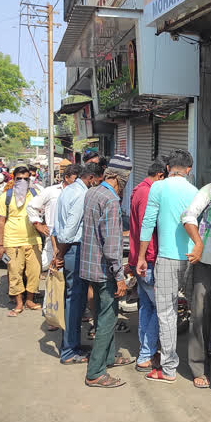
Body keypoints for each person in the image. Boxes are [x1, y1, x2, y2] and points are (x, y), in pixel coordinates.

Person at [137, 149, 199, 384]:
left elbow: (148, 224)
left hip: (166, 258)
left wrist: (142, 257)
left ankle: (169, 367)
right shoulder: (195, 191)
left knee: (166, 313)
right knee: (195, 310)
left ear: (167, 169)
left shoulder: (158, 188)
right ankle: (199, 363)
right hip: (192, 257)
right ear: (189, 170)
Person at [81, 154, 135, 388]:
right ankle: (96, 372)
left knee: (104, 314)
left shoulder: (92, 192)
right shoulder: (112, 201)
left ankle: (110, 357)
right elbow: (112, 246)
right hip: (104, 270)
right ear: (120, 178)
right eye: (126, 178)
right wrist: (119, 276)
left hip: (90, 266)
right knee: (106, 318)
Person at [181, 154, 211, 389]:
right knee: (201, 314)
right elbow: (189, 216)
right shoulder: (209, 190)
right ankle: (199, 367)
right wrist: (198, 243)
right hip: (206, 261)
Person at [52, 163, 103, 365]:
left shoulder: (68, 190)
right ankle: (69, 350)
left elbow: (59, 226)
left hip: (69, 248)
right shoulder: (82, 194)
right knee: (74, 302)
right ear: (91, 177)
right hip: (74, 248)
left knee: (75, 300)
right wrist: (61, 253)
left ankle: (72, 344)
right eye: (96, 181)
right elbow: (69, 230)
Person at [128, 159, 167, 372]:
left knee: (146, 307)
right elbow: (147, 228)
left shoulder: (139, 190)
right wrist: (147, 257)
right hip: (147, 261)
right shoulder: (147, 193)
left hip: (141, 259)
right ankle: (146, 355)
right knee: (158, 309)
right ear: (160, 176)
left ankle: (146, 351)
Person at [0, 166, 42, 317]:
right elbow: (1, 222)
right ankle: (19, 303)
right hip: (12, 241)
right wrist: (0, 244)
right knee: (15, 272)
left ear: (30, 180)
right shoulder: (5, 197)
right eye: (19, 179)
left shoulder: (36, 194)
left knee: (34, 272)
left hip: (33, 239)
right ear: (13, 179)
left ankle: (30, 300)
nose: (22, 181)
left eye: (25, 179)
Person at [27, 164, 81, 272]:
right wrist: (38, 224)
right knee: (47, 268)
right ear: (66, 178)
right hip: (53, 237)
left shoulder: (81, 192)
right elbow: (32, 206)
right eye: (75, 179)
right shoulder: (51, 191)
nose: (78, 182)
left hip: (74, 238)